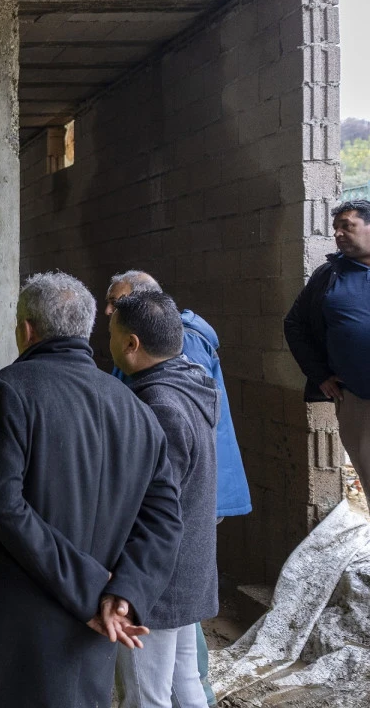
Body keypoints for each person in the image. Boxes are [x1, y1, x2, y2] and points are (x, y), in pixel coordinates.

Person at [0, 272, 183, 708]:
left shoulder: (10, 391)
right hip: (86, 639)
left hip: (4, 630)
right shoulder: (137, 412)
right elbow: (166, 521)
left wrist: (93, 587)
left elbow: (4, 506)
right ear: (87, 330)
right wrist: (125, 594)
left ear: (27, 330)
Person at [106, 270, 251, 706]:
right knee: (184, 678)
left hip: (158, 580)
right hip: (185, 569)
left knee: (144, 694)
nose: (106, 335)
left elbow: (152, 514)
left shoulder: (159, 406)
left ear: (132, 345)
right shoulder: (188, 382)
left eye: (112, 329)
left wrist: (128, 586)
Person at [284, 198, 370, 494]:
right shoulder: (329, 275)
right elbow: (294, 324)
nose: (338, 234)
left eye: (347, 226)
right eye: (335, 228)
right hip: (357, 401)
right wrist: (319, 373)